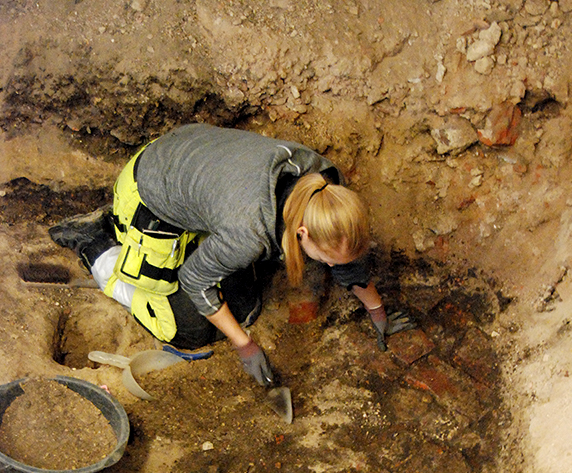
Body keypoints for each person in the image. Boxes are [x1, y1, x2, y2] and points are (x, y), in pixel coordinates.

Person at [49, 123, 412, 385]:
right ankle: (96, 242)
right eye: (326, 259)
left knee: (246, 307)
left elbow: (347, 256)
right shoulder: (248, 232)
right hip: (151, 189)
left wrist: (377, 311)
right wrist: (245, 346)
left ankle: (144, 238)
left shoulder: (326, 191)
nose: (330, 266)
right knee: (188, 332)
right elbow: (194, 279)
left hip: (200, 165)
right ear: (301, 232)